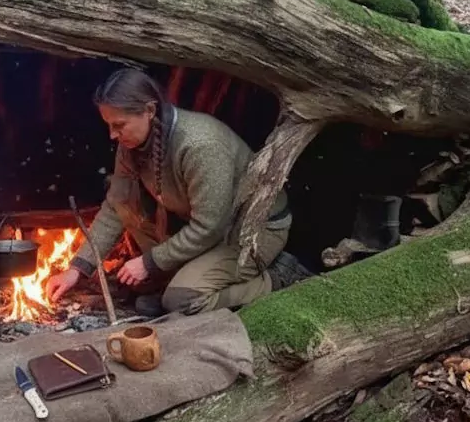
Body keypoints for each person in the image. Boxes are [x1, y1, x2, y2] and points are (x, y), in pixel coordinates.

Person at [45, 67, 305, 317]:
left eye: (119, 125)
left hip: (250, 232)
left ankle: (277, 277)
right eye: (108, 125)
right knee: (130, 218)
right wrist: (77, 269)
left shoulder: (200, 145)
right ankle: (178, 280)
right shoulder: (132, 144)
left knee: (181, 301)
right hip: (212, 230)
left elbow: (209, 227)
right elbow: (116, 206)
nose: (112, 135)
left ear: (149, 110)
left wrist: (148, 262)